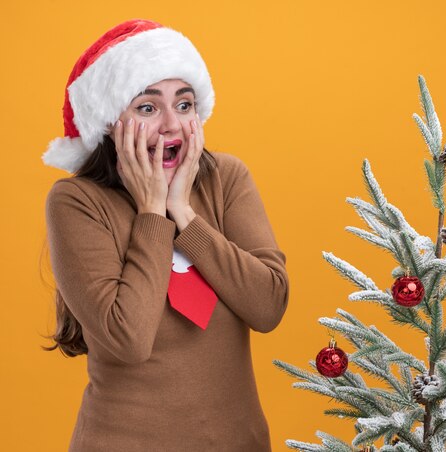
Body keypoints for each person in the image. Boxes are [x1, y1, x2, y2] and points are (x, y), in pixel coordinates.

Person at [42, 19, 289, 451]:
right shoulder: (76, 201)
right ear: (110, 123)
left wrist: (183, 213)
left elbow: (268, 307)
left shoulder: (226, 179)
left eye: (185, 104)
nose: (172, 125)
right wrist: (153, 212)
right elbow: (128, 340)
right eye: (148, 108)